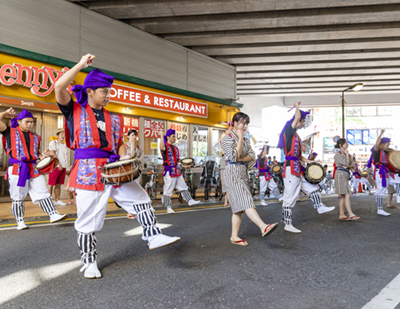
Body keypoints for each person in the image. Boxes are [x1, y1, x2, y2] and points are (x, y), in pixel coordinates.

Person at [54, 54, 180, 279]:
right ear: (90, 91)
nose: (108, 96)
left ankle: (153, 236)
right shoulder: (74, 110)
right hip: (88, 171)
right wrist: (81, 65)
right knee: (87, 220)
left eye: (109, 91)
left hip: (113, 168)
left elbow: (119, 144)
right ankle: (89, 261)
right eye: (104, 91)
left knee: (141, 199)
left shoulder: (113, 118)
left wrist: (124, 159)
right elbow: (59, 85)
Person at [0, 108, 68, 230]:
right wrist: (5, 113)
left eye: (31, 122)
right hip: (17, 167)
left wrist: (43, 156)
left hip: (33, 167)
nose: (30, 124)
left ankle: (53, 214)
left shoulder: (36, 136)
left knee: (43, 191)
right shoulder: (9, 132)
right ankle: (20, 221)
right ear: (19, 121)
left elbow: (36, 153)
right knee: (18, 196)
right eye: (27, 121)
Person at [221, 112, 278, 246]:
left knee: (238, 208)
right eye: (243, 123)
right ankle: (263, 226)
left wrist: (240, 156)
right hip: (232, 172)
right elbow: (234, 157)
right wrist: (240, 140)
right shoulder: (227, 138)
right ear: (235, 123)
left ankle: (234, 236)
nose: (245, 126)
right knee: (246, 199)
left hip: (242, 171)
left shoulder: (247, 139)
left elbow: (252, 157)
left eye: (246, 123)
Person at [277, 102, 335, 233]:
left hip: (296, 167)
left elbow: (299, 156)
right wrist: (297, 107)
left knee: (312, 188)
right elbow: (296, 118)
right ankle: (287, 224)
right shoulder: (289, 132)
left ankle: (319, 206)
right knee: (289, 198)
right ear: (296, 121)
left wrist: (310, 162)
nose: (303, 124)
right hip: (290, 168)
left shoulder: (296, 136)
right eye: (302, 121)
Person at [160, 128, 200, 214]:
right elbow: (161, 147)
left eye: (175, 136)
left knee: (183, 186)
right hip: (169, 171)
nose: (175, 138)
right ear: (168, 137)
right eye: (173, 136)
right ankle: (168, 207)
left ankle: (189, 200)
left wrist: (185, 163)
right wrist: (160, 136)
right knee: (168, 189)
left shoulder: (176, 148)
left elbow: (178, 160)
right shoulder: (165, 146)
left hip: (176, 170)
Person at [366, 130, 392, 216]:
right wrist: (380, 134)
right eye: (387, 145)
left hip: (384, 172)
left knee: (383, 189)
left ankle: (379, 206)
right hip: (380, 172)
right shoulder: (376, 151)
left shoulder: (385, 152)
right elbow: (377, 144)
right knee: (380, 190)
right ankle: (379, 209)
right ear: (381, 145)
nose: (388, 146)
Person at [333, 139, 359, 221]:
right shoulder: (338, 154)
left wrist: (348, 165)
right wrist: (348, 162)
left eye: (347, 143)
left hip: (345, 174)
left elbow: (353, 166)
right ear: (340, 145)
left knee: (344, 195)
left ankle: (342, 214)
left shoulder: (348, 154)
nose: (347, 144)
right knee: (347, 193)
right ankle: (350, 214)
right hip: (340, 174)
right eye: (345, 143)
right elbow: (347, 164)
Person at [125, 128, 143, 219]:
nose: (134, 137)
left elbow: (140, 159)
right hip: (127, 171)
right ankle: (130, 212)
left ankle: (132, 211)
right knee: (130, 191)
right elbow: (131, 156)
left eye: (135, 135)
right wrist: (132, 145)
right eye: (132, 135)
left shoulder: (139, 148)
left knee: (136, 190)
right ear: (128, 136)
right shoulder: (125, 146)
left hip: (136, 171)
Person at [48, 128, 69, 206]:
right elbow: (52, 153)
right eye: (61, 134)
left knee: (58, 184)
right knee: (51, 183)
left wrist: (66, 167)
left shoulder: (64, 145)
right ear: (57, 135)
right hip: (55, 166)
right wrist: (58, 164)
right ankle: (48, 200)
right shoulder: (53, 142)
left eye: (64, 134)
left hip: (63, 166)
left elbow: (65, 157)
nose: (63, 136)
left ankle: (57, 200)